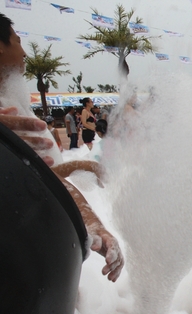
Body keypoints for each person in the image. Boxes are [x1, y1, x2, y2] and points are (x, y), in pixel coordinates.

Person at [0, 13, 123, 280]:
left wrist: (92, 222)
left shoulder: (16, 109)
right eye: (17, 41)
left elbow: (42, 178)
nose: (23, 51)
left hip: (34, 261)